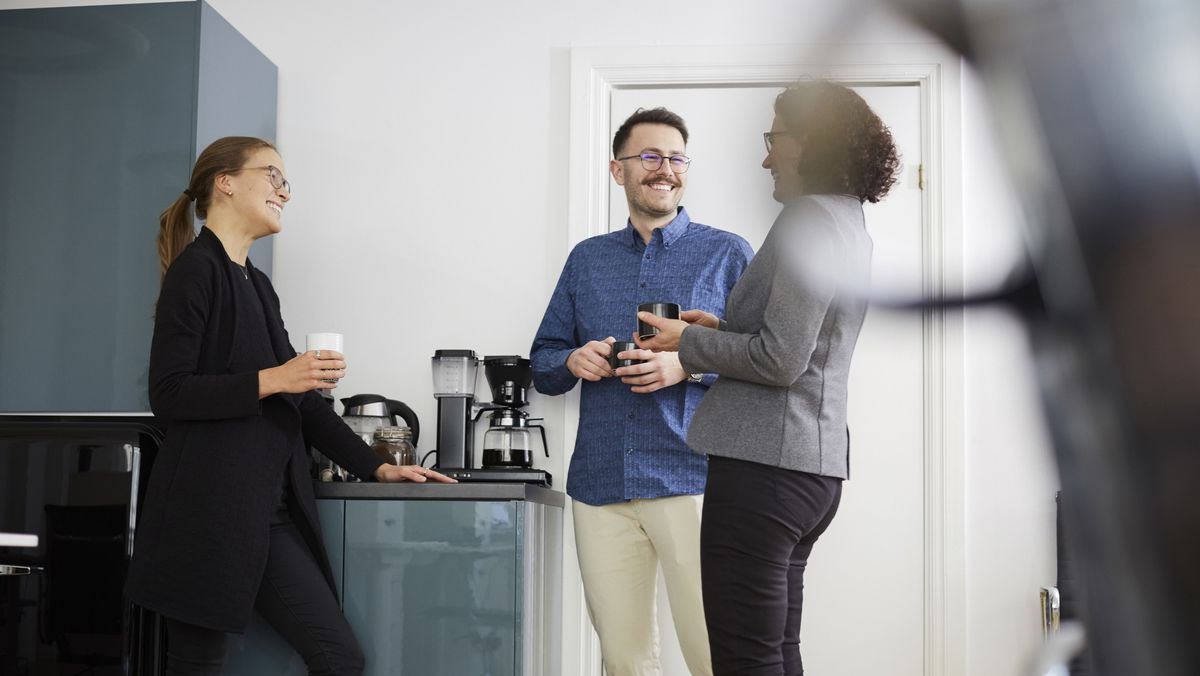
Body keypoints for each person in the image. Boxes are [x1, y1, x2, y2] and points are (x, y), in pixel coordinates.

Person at [124, 136, 454, 676]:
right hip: (205, 514)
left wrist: (379, 467)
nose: (285, 192)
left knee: (338, 657)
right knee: (198, 665)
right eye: (273, 176)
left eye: (286, 181)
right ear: (224, 182)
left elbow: (302, 403)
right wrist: (276, 377)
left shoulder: (259, 285)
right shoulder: (196, 270)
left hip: (265, 514)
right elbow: (171, 393)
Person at [635, 81, 901, 676]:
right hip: (811, 470)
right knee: (774, 654)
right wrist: (722, 327)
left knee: (744, 660)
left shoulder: (809, 219)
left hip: (766, 472)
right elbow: (805, 339)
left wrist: (688, 342)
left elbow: (781, 360)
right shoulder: (846, 220)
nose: (765, 156)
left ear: (814, 142)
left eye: (773, 139)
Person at [531, 107, 752, 676]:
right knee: (624, 660)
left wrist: (689, 367)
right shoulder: (587, 259)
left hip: (694, 479)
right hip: (601, 482)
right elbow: (544, 362)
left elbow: (763, 362)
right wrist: (572, 359)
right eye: (649, 156)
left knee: (716, 653)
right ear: (618, 169)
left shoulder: (728, 253)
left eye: (676, 157)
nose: (665, 169)